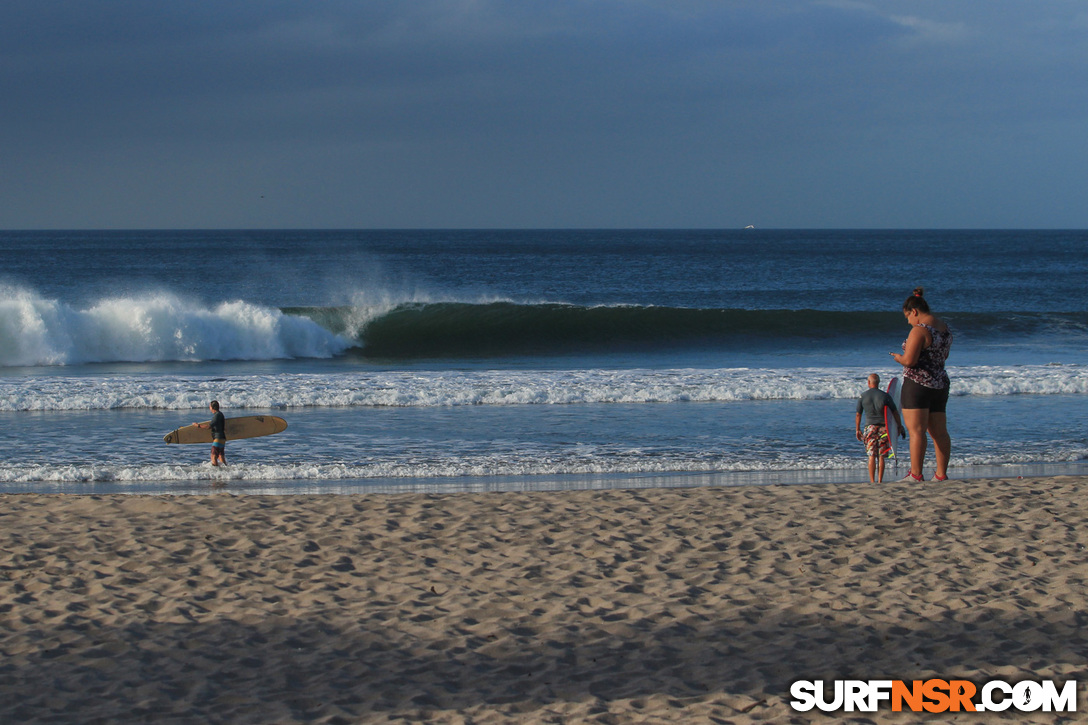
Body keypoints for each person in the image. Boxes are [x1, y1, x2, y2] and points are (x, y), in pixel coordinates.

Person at [889, 287, 952, 482]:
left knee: (916, 431)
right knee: (939, 432)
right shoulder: (943, 328)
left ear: (914, 311)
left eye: (908, 317)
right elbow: (944, 356)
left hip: (917, 385)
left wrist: (898, 358)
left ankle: (915, 474)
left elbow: (910, 361)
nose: (908, 321)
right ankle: (941, 475)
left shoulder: (919, 330)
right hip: (940, 383)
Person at [855, 373, 904, 483]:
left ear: (868, 383)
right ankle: (880, 480)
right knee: (881, 456)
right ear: (878, 383)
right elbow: (895, 413)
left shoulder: (863, 396)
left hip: (870, 428)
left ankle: (872, 481)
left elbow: (858, 415)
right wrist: (899, 426)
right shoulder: (885, 396)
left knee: (871, 455)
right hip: (883, 428)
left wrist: (857, 429)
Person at [195, 400, 227, 466]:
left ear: (213, 407)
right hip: (222, 439)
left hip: (218, 439)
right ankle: (226, 471)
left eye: (210, 406)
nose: (209, 408)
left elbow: (209, 427)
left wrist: (198, 426)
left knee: (213, 456)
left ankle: (216, 471)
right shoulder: (220, 414)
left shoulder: (217, 415)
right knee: (220, 456)